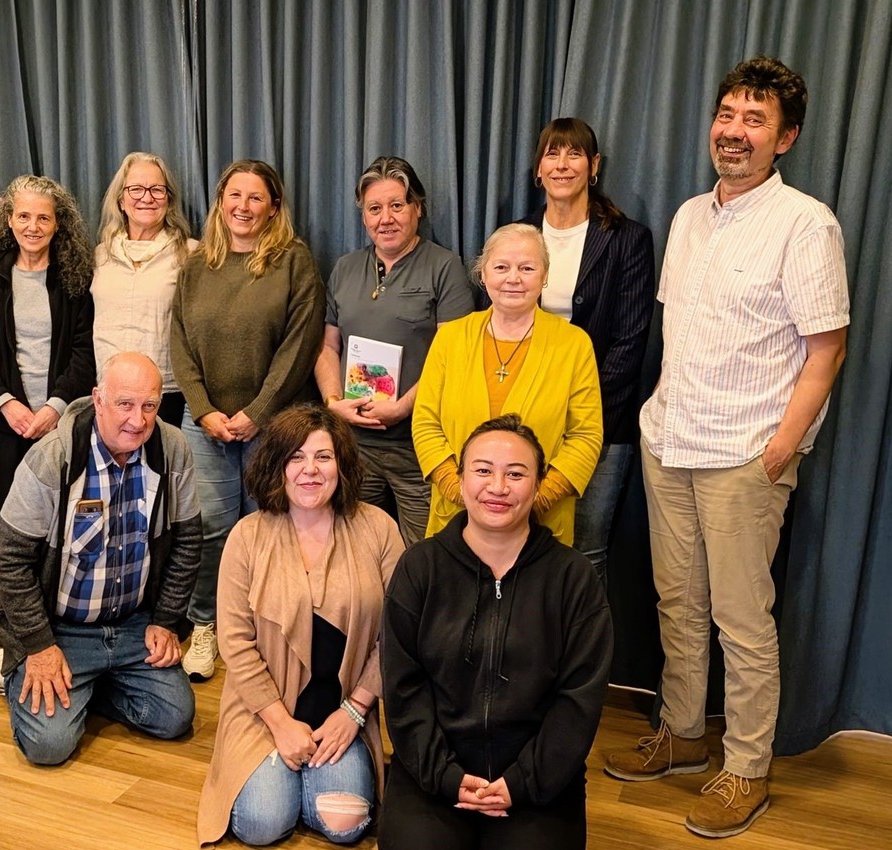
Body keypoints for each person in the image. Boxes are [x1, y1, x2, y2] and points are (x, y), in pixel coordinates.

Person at [605, 57, 849, 838]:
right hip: (669, 437)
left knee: (744, 620)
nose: (734, 131)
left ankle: (745, 767)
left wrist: (780, 448)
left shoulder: (807, 224)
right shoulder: (687, 217)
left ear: (785, 139)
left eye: (754, 120)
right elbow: (681, 330)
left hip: (746, 453)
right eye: (727, 114)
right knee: (678, 603)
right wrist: (657, 418)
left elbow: (827, 348)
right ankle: (681, 733)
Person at [377, 414, 612, 850]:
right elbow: (403, 687)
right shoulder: (421, 567)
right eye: (483, 471)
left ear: (539, 482)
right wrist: (444, 776)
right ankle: (466, 841)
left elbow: (579, 700)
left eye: (516, 473)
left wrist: (524, 782)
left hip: (532, 775)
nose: (498, 488)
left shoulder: (572, 578)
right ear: (460, 480)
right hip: (439, 767)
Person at [0, 353, 201, 765]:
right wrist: (39, 646)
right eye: (125, 404)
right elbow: (5, 557)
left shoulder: (173, 450)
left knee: (174, 717)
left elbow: (187, 541)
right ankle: (14, 669)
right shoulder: (53, 457)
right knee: (49, 746)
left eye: (149, 406)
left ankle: (89, 686)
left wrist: (166, 621)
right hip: (62, 630)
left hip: (133, 624)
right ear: (98, 399)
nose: (138, 420)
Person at [197, 404, 403, 846]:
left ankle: (313, 778)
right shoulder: (247, 536)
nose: (310, 470)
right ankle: (289, 777)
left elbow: (398, 636)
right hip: (264, 710)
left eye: (323, 457)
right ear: (278, 466)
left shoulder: (379, 529)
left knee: (343, 825)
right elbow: (234, 642)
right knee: (260, 824)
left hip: (344, 710)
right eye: (296, 457)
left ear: (342, 465)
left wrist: (356, 710)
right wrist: (279, 723)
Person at [170, 159, 325, 681]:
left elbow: (300, 345)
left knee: (274, 527)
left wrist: (258, 414)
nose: (243, 206)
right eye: (234, 195)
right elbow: (179, 341)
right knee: (210, 529)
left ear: (274, 206)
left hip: (276, 423)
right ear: (220, 201)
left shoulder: (293, 262)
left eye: (255, 197)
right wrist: (203, 409)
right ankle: (207, 623)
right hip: (207, 423)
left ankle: (268, 628)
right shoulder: (197, 264)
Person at [518, 118, 655, 586]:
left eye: (574, 154)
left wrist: (574, 407)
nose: (562, 164)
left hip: (599, 422)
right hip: (522, 419)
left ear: (593, 166)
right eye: (551, 154)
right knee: (517, 549)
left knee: (586, 556)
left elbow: (630, 340)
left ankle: (577, 658)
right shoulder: (518, 235)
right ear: (538, 168)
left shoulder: (628, 239)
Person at [315, 156, 474, 545]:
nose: (385, 218)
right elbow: (326, 345)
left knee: (422, 555)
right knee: (357, 549)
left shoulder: (445, 266)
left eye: (396, 205)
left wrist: (403, 407)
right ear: (364, 216)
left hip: (418, 445)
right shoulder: (345, 268)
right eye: (374, 208)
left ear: (417, 209)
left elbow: (453, 355)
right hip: (353, 444)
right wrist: (334, 401)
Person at [412, 223, 602, 544]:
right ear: (483, 275)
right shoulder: (450, 338)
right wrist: (463, 492)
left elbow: (586, 436)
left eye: (526, 268)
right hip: (456, 517)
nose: (513, 278)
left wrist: (531, 500)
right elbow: (425, 423)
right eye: (501, 267)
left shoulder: (574, 344)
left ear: (544, 276)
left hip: (540, 522)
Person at [0, 175, 96, 509]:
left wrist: (55, 407)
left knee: (62, 514)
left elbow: (85, 353)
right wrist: (6, 403)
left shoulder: (74, 279)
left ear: (57, 224)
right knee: (14, 515)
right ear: (9, 220)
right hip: (6, 425)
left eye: (43, 217)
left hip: (62, 423)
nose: (32, 226)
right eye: (23, 216)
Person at [92, 152, 198, 427]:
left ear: (169, 199)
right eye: (136, 189)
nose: (147, 198)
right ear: (120, 200)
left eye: (157, 190)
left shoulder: (191, 255)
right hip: (109, 394)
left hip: (166, 395)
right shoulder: (99, 257)